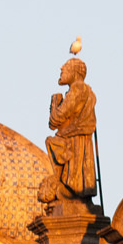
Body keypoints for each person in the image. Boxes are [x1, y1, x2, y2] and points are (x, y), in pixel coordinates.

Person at [39, 56, 98, 206]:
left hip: (75, 142)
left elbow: (56, 119)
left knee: (74, 181)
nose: (61, 70)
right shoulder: (85, 91)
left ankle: (71, 193)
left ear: (75, 72)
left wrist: (55, 103)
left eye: (65, 68)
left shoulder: (78, 89)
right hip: (77, 140)